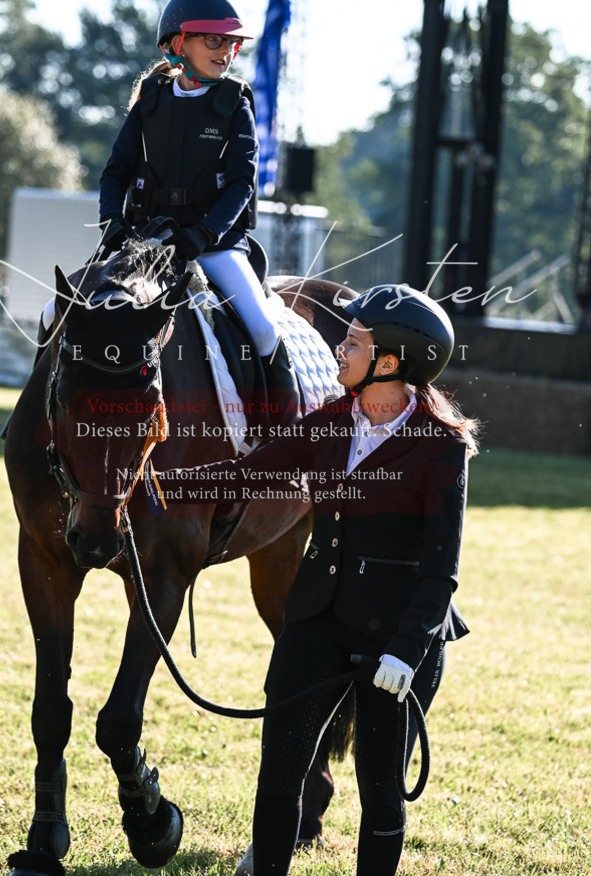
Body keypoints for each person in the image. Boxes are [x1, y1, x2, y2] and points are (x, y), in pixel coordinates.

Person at [161, 283, 479, 876]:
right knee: (279, 777)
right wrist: (154, 487)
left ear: (389, 362)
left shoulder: (442, 448)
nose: (339, 349)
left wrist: (407, 655)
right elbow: (247, 472)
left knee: (381, 791)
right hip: (316, 623)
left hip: (399, 642)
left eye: (352, 342)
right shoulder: (329, 420)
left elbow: (441, 574)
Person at [97, 0, 299, 423]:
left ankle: (283, 439)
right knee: (59, 309)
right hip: (147, 242)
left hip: (216, 243)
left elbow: (243, 184)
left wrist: (203, 234)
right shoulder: (149, 102)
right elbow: (116, 172)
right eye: (214, 40)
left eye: (232, 43)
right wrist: (111, 222)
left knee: (263, 330)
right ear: (177, 43)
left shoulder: (235, 106)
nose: (226, 52)